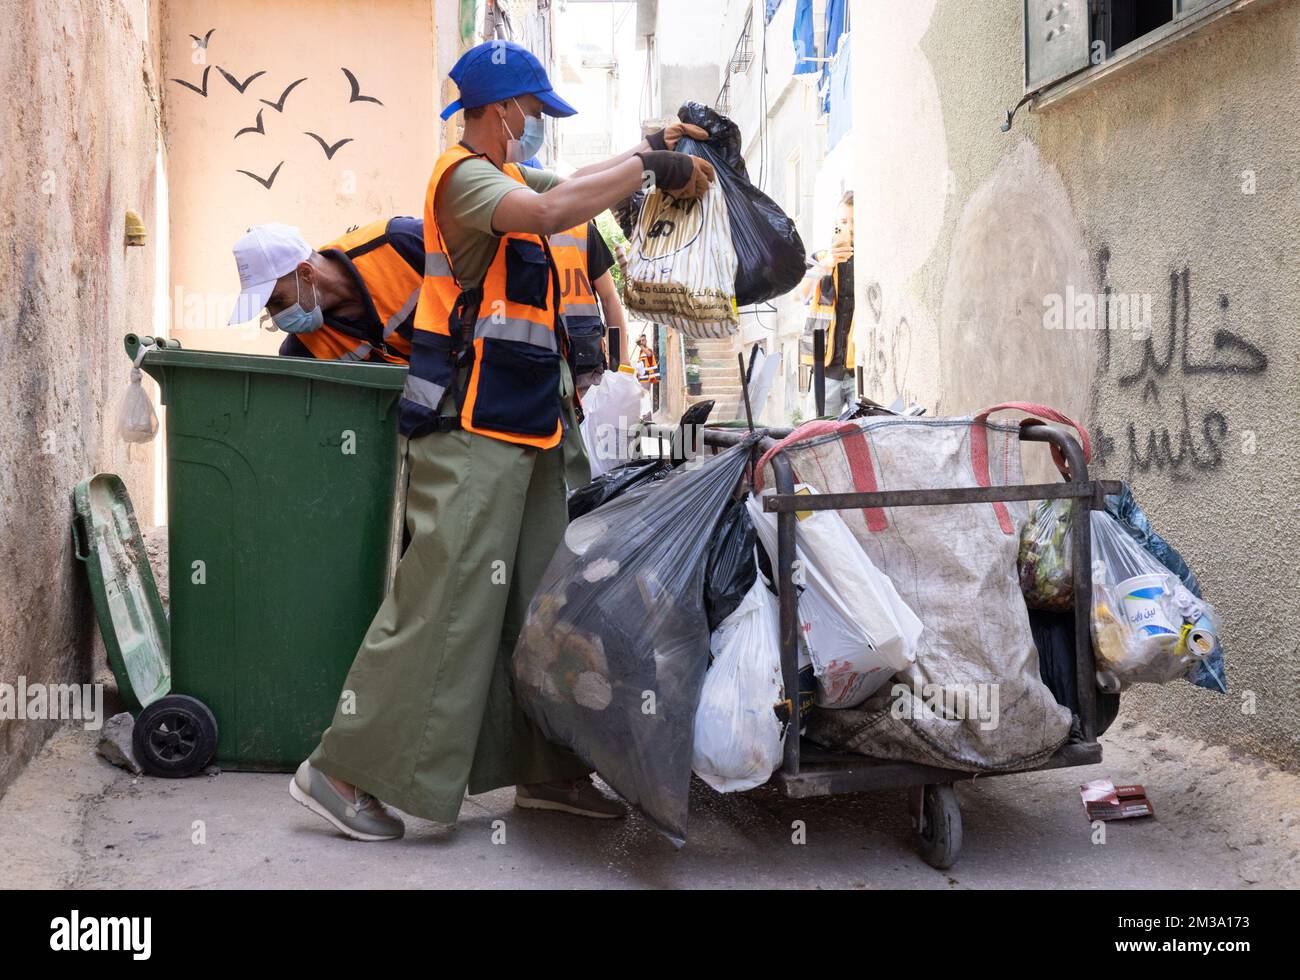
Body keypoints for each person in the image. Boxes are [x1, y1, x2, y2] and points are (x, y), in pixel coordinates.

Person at [288, 38, 714, 841]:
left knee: (539, 608)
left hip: (529, 429)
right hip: (471, 431)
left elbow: (578, 190)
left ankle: (546, 773)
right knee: (444, 601)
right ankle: (340, 770)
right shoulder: (466, 181)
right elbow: (554, 212)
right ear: (499, 109)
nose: (535, 126)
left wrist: (653, 149)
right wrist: (654, 168)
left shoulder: (515, 175)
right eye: (531, 111)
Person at [227, 218, 422, 363]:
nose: (277, 318)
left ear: (305, 273)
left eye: (278, 301)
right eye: (267, 307)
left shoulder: (399, 243)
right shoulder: (303, 350)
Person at [800, 190, 856, 415]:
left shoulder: (872, 259)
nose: (850, 227)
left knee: (860, 435)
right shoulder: (820, 258)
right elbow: (799, 296)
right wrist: (827, 265)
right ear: (836, 224)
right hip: (826, 368)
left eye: (854, 221)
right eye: (844, 221)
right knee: (823, 434)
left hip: (858, 370)